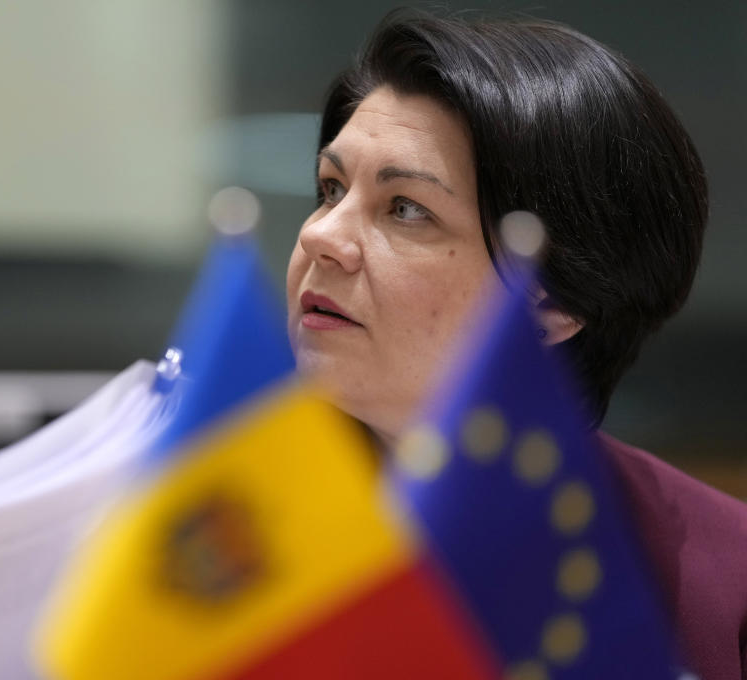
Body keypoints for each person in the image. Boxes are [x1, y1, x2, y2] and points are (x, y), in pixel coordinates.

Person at [284, 10, 747, 680]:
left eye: (406, 207)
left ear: (557, 303)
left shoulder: (720, 583)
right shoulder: (187, 512)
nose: (321, 236)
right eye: (331, 189)